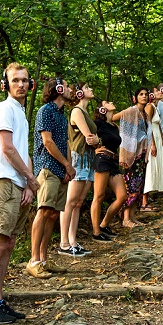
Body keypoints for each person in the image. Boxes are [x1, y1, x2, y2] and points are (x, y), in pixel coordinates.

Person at [0, 63, 37, 324]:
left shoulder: (20, 112)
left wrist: (27, 184)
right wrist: (29, 176)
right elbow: (6, 148)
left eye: (25, 80)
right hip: (4, 182)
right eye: (15, 80)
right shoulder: (4, 109)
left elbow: (22, 149)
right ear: (5, 84)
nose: (21, 85)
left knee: (10, 243)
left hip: (17, 184)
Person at [27, 77, 75, 278]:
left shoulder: (62, 116)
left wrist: (68, 167)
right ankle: (33, 260)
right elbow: (47, 142)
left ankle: (44, 260)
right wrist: (65, 164)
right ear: (58, 88)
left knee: (54, 214)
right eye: (67, 85)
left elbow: (64, 143)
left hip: (61, 170)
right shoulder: (45, 111)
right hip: (47, 168)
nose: (71, 89)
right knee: (44, 211)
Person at [59, 83, 100, 256]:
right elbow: (90, 138)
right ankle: (64, 243)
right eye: (87, 87)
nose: (91, 89)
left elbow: (95, 140)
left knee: (78, 202)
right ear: (80, 93)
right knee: (70, 201)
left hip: (88, 159)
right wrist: (97, 140)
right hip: (79, 159)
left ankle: (73, 240)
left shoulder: (86, 113)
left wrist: (98, 140)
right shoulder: (77, 111)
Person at [112, 87, 150, 228]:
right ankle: (126, 218)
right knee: (131, 185)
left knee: (139, 186)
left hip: (142, 155)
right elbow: (113, 118)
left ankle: (133, 217)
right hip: (131, 155)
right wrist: (120, 133)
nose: (144, 96)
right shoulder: (131, 111)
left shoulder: (144, 113)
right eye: (141, 94)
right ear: (136, 97)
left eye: (146, 94)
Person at [91, 101, 126, 240]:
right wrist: (96, 147)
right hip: (102, 159)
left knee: (122, 196)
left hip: (113, 161)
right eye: (107, 102)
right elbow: (85, 135)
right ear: (102, 108)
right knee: (99, 196)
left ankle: (104, 225)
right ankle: (96, 232)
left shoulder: (114, 126)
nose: (111, 102)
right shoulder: (98, 124)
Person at [142, 86, 163, 211]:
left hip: (157, 138)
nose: (160, 92)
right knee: (150, 168)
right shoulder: (149, 107)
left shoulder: (155, 107)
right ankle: (144, 201)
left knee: (155, 167)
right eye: (157, 91)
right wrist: (151, 143)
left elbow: (157, 124)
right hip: (152, 139)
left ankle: (148, 197)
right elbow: (148, 125)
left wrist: (162, 139)